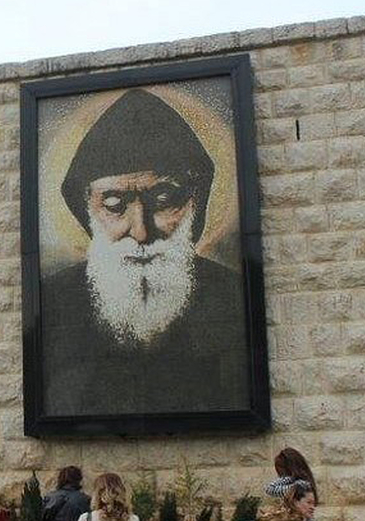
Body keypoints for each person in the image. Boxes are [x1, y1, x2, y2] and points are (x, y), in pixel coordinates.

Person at [41, 88, 246, 417]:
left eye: (163, 199)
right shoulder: (53, 302)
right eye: (114, 205)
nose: (140, 231)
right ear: (86, 210)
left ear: (196, 203)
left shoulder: (234, 297)